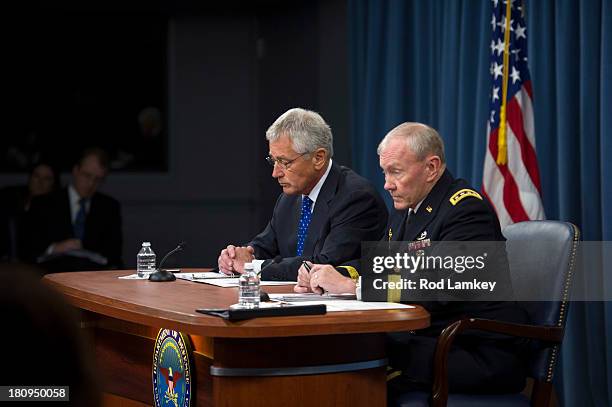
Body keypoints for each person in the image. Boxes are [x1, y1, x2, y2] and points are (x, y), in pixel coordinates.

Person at [295, 122, 528, 396]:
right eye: (384, 172)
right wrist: (332, 273)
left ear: (431, 168)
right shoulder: (408, 208)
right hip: (429, 340)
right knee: (343, 357)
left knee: (355, 370)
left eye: (395, 172)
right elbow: (378, 264)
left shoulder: (465, 210)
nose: (387, 184)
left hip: (473, 351)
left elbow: (438, 285)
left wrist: (351, 288)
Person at [218, 107, 388, 281]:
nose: (275, 173)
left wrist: (252, 266)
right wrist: (234, 258)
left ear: (318, 158)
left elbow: (324, 263)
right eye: (273, 161)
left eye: (284, 162)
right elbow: (265, 245)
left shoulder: (356, 198)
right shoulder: (289, 198)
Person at [23, 148, 123, 270]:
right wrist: (54, 248)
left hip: (93, 277)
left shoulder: (109, 207)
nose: (91, 184)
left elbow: (114, 253)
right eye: (87, 175)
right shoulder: (44, 203)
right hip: (52, 275)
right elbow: (28, 248)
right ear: (75, 170)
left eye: (98, 179)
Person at [0, 161, 59, 261]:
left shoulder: (57, 211)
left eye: (47, 178)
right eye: (36, 176)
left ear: (53, 183)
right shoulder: (11, 199)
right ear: (30, 178)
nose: (40, 182)